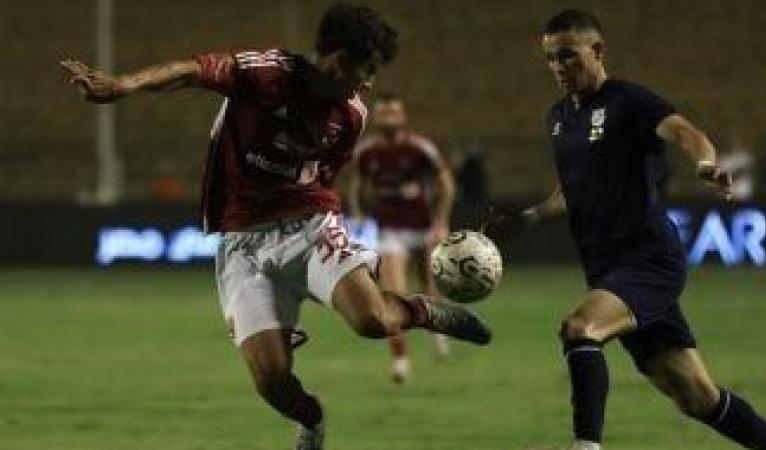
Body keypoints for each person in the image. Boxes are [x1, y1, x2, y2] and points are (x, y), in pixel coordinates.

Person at [60, 4, 490, 450]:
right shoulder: (266, 73)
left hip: (310, 227)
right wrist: (122, 85)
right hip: (242, 244)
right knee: (271, 379)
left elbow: (325, 176)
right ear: (340, 61)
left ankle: (425, 311)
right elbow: (190, 71)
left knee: (372, 321)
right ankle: (312, 418)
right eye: (368, 69)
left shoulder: (352, 116)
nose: (369, 82)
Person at [484, 10, 766, 450]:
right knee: (697, 397)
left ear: (598, 50)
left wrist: (705, 163)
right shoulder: (558, 119)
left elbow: (685, 131)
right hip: (609, 272)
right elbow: (569, 193)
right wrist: (525, 220)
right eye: (551, 59)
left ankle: (585, 446)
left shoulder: (627, 100)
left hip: (647, 259)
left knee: (579, 329)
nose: (558, 68)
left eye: (568, 56)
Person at [350, 94, 455, 384]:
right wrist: (359, 214)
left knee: (429, 288)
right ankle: (400, 360)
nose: (389, 119)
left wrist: (441, 222)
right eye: (383, 114)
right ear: (376, 118)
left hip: (423, 228)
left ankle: (437, 332)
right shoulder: (367, 153)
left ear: (403, 115)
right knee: (394, 295)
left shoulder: (420, 147)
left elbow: (445, 182)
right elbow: (359, 185)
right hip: (390, 232)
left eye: (394, 113)